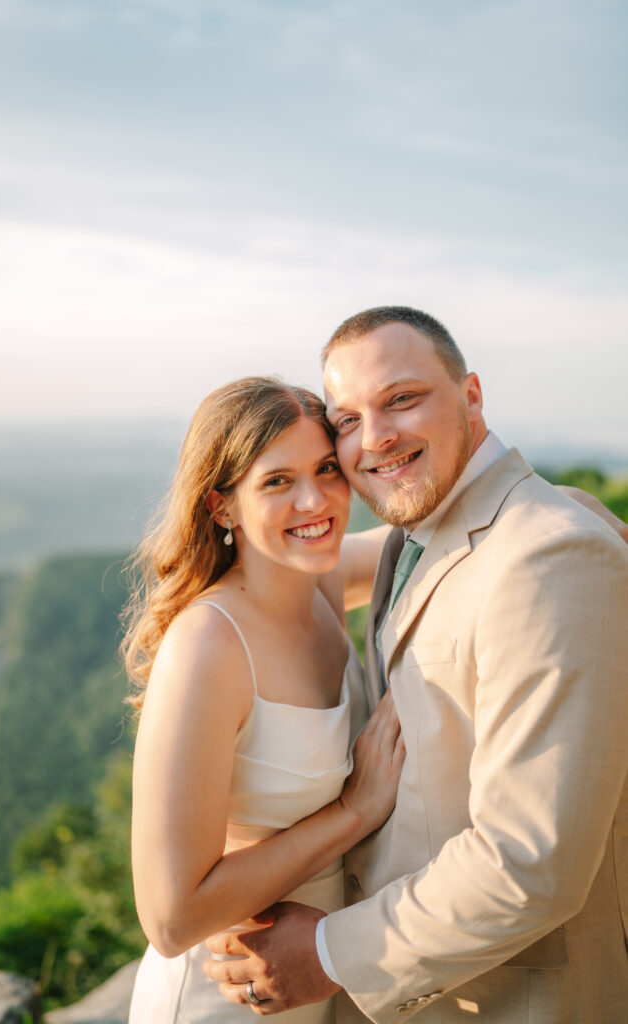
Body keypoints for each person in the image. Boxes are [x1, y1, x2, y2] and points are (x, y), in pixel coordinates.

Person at [204, 307, 628, 1022]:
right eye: (345, 419)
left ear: (470, 397)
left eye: (401, 399)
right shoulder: (421, 530)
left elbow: (530, 861)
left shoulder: (550, 556)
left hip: (518, 1001)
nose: (374, 438)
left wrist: (332, 953)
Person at [122, 376, 406, 1023]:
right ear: (222, 507)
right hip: (223, 997)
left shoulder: (321, 575)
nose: (316, 500)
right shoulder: (210, 647)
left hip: (313, 982)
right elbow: (170, 918)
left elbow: (434, 535)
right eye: (277, 482)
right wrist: (352, 813)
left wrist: (560, 510)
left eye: (327, 469)